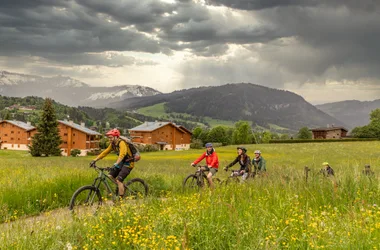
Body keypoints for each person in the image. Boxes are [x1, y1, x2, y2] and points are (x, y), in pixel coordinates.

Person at [90, 129, 136, 198]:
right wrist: (95, 160)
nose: (109, 139)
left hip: (128, 163)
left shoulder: (122, 143)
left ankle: (120, 200)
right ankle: (120, 189)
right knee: (110, 177)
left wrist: (116, 164)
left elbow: (122, 154)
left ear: (116, 137)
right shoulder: (113, 144)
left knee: (119, 180)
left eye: (111, 137)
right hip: (121, 162)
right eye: (109, 137)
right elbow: (105, 152)